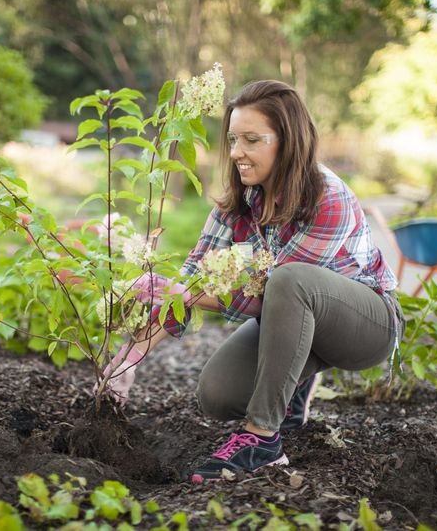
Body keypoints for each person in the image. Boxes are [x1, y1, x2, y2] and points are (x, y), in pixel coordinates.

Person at [101, 79, 403, 484]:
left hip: (367, 324)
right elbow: (189, 279)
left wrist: (182, 293)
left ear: (288, 141)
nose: (237, 152)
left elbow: (269, 293)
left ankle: (261, 440)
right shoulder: (240, 201)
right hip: (296, 322)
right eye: (232, 139)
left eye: (252, 139)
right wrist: (129, 360)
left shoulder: (329, 197)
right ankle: (291, 395)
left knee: (289, 280)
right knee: (218, 395)